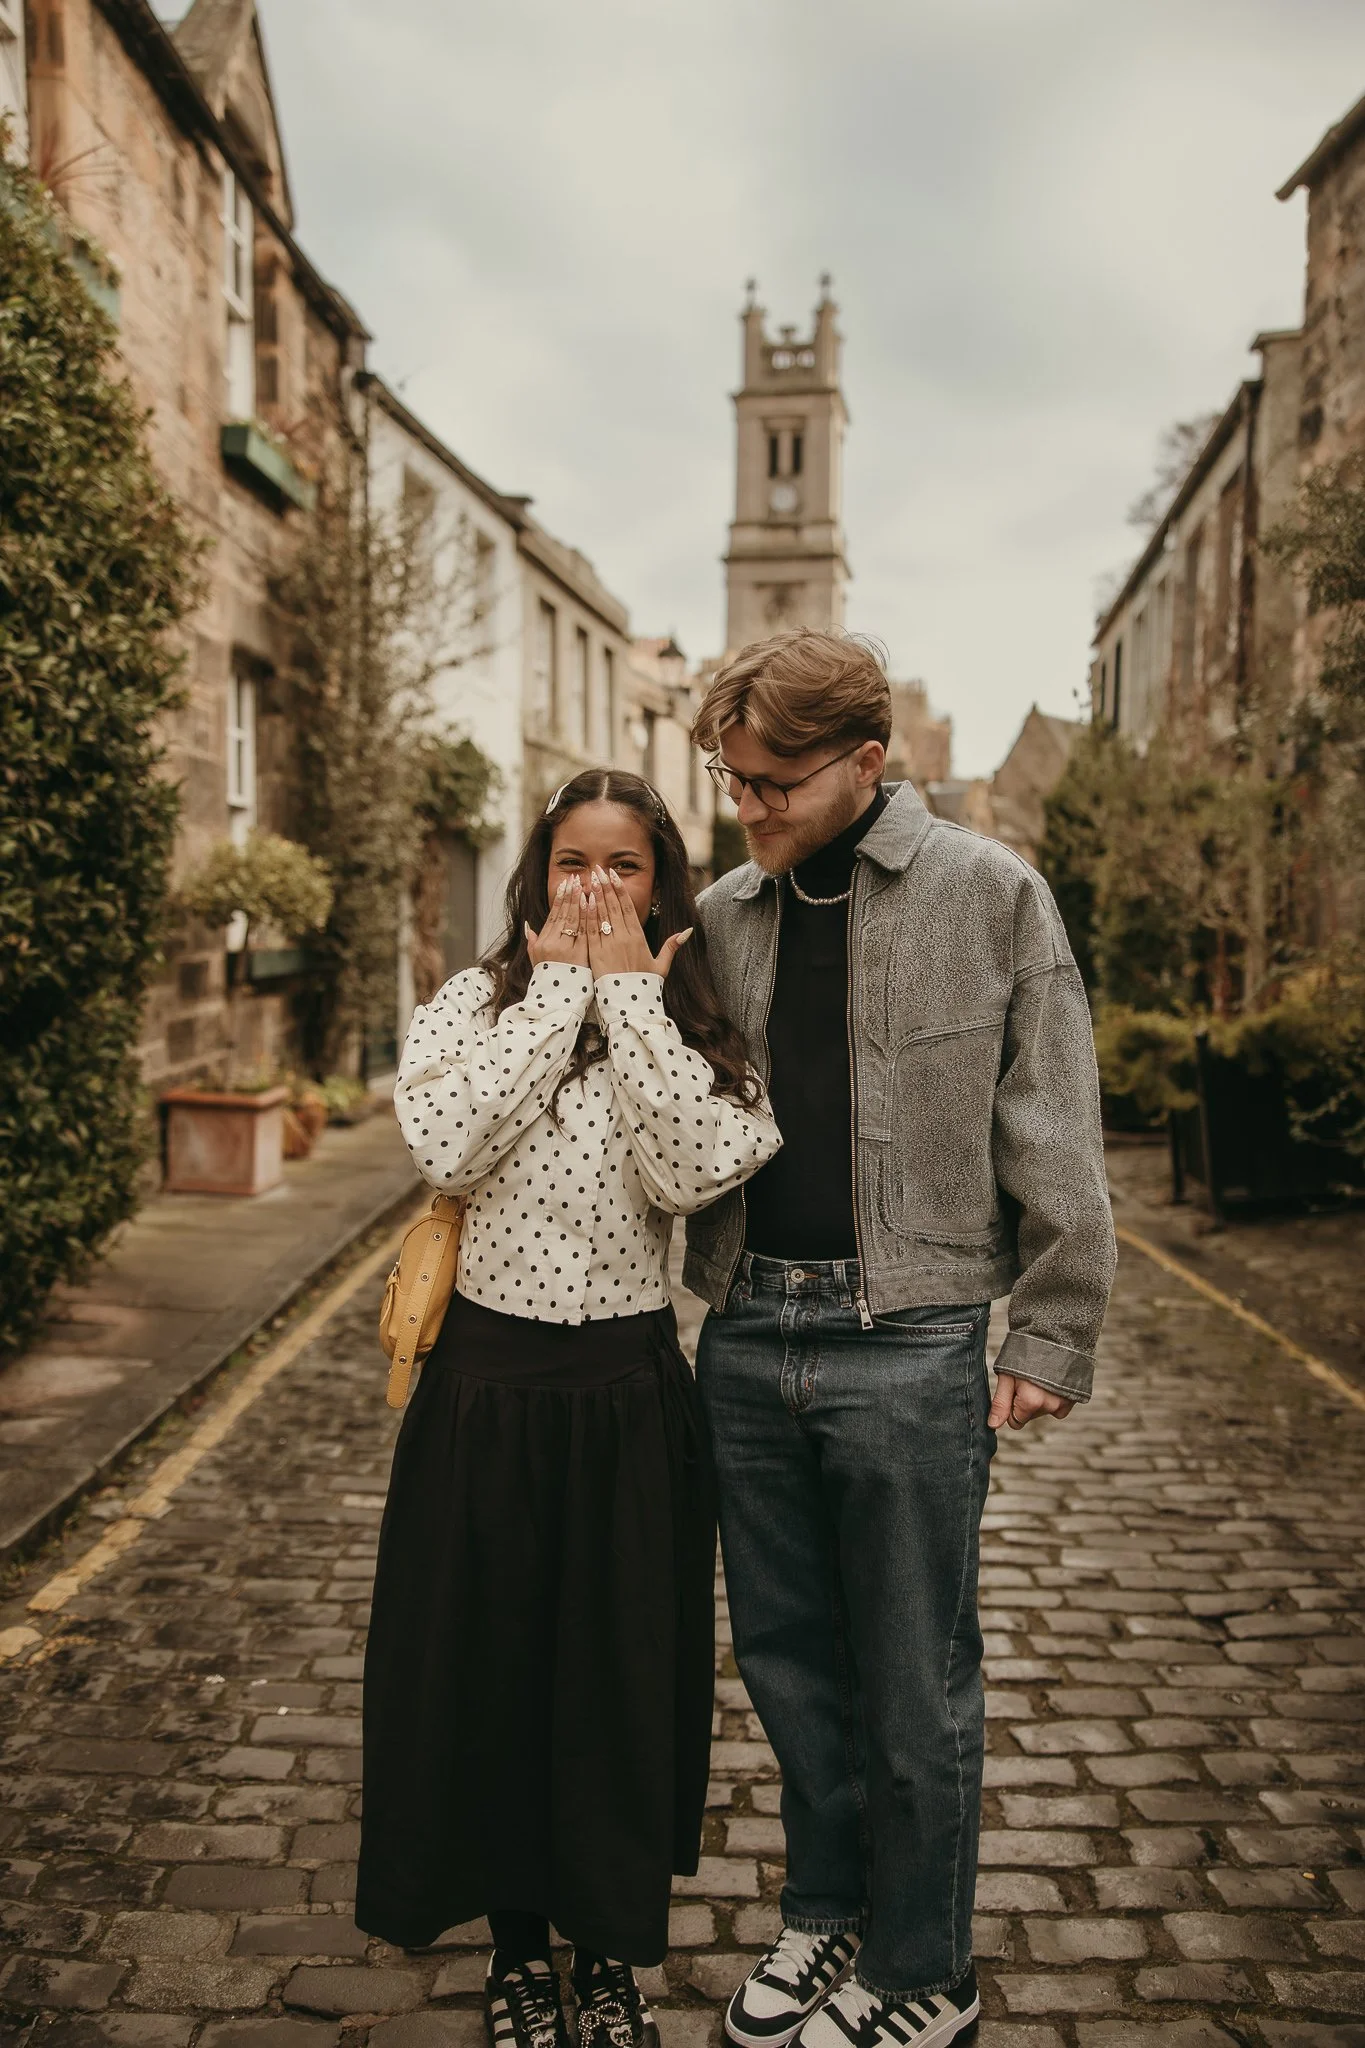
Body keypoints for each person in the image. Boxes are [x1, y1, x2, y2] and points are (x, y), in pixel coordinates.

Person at [684, 633, 1117, 2048]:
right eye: (731, 780)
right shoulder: (724, 913)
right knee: (787, 1660)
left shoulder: (992, 894)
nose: (747, 805)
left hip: (912, 1336)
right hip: (748, 1328)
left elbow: (1053, 1119)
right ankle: (825, 1911)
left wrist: (1050, 1326)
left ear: (866, 762)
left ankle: (925, 1963)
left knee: (915, 1676)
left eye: (774, 782)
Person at [357, 770, 780, 2048]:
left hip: (625, 1398)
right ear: (538, 873)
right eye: (574, 862)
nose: (597, 887)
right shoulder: (470, 1004)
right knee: (490, 1681)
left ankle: (608, 1955)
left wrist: (632, 998)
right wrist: (553, 995)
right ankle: (517, 1956)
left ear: (663, 883)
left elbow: (699, 1167)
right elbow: (448, 1146)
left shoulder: (693, 1020)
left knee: (615, 1686)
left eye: (625, 865)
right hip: (483, 1397)